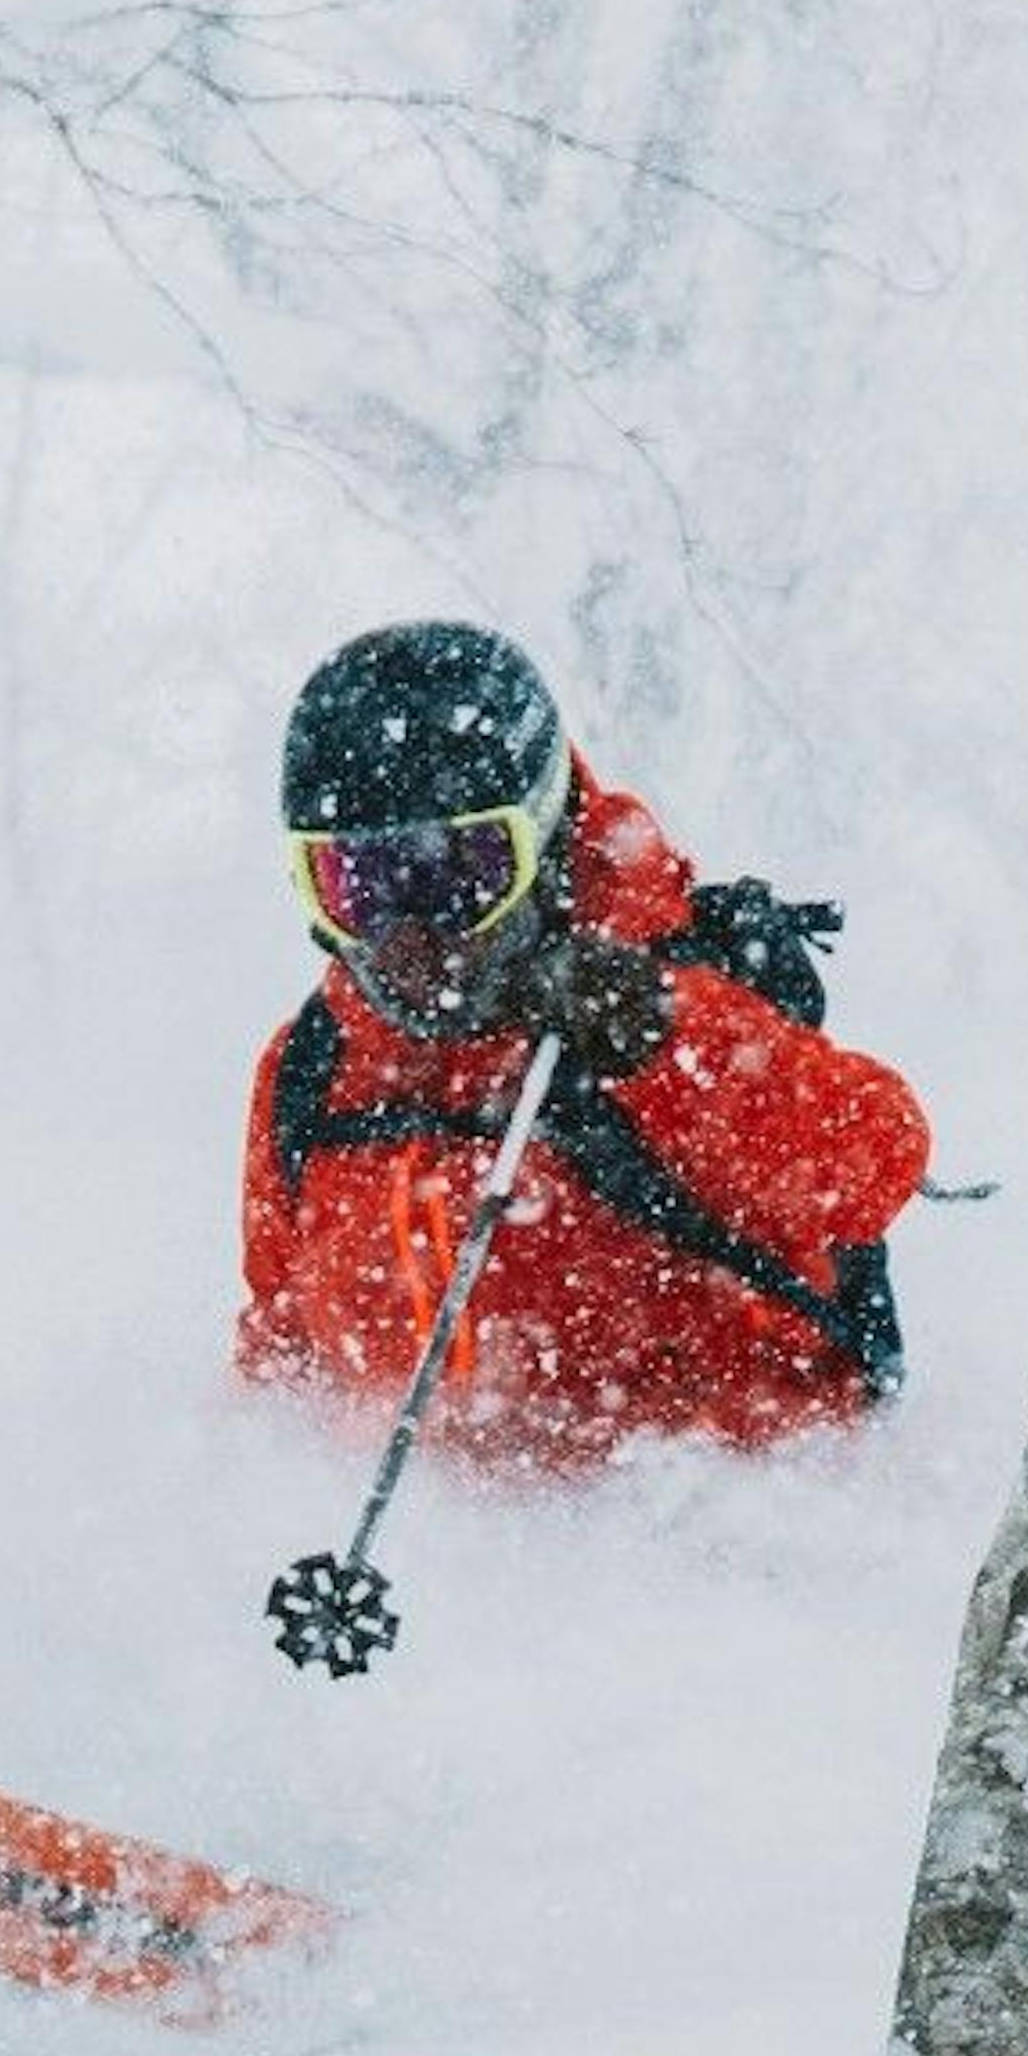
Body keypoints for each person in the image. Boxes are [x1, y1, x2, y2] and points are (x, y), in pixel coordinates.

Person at [236, 620, 931, 1467]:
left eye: (460, 877)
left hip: (725, 1541)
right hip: (452, 1562)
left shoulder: (661, 1002)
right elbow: (283, 1352)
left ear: (543, 840)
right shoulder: (315, 1073)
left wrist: (662, 1040)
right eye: (359, 887)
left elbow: (874, 1158)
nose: (410, 939)